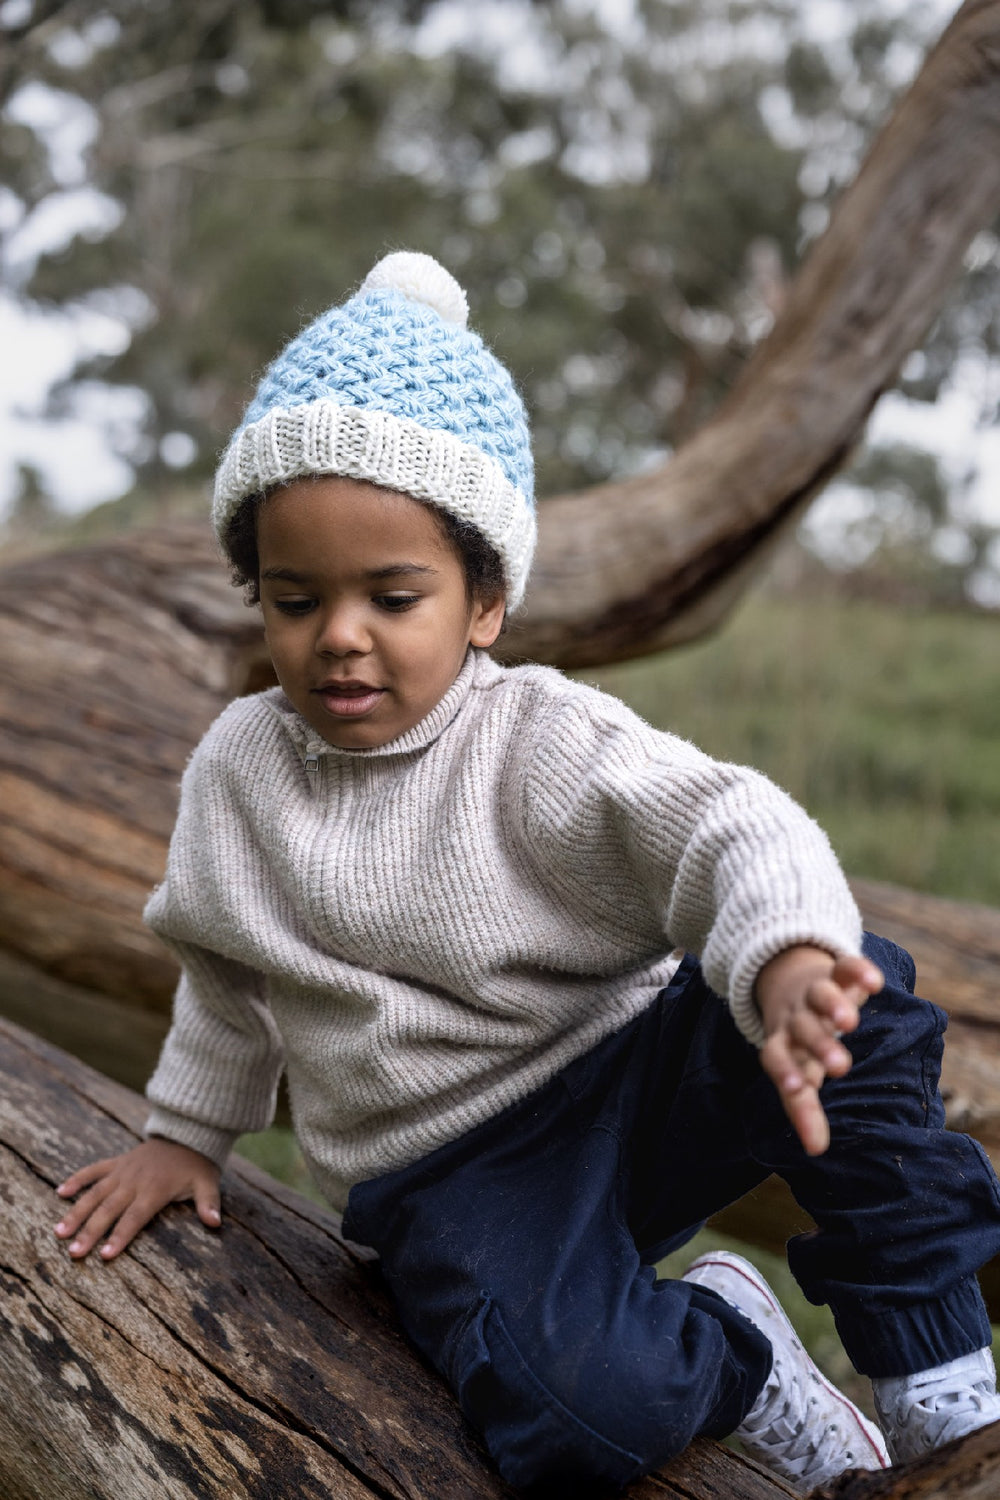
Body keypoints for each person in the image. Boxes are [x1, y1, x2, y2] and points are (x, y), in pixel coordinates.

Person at [54, 252, 1000, 1494]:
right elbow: (230, 975)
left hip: (627, 1073)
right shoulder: (241, 768)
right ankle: (738, 1355)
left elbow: (726, 825)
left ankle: (932, 1374)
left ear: (487, 601)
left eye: (394, 596)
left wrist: (780, 956)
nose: (339, 634)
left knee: (858, 998)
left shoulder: (541, 740)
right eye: (294, 599)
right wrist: (186, 1135)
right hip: (454, 1181)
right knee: (576, 1418)